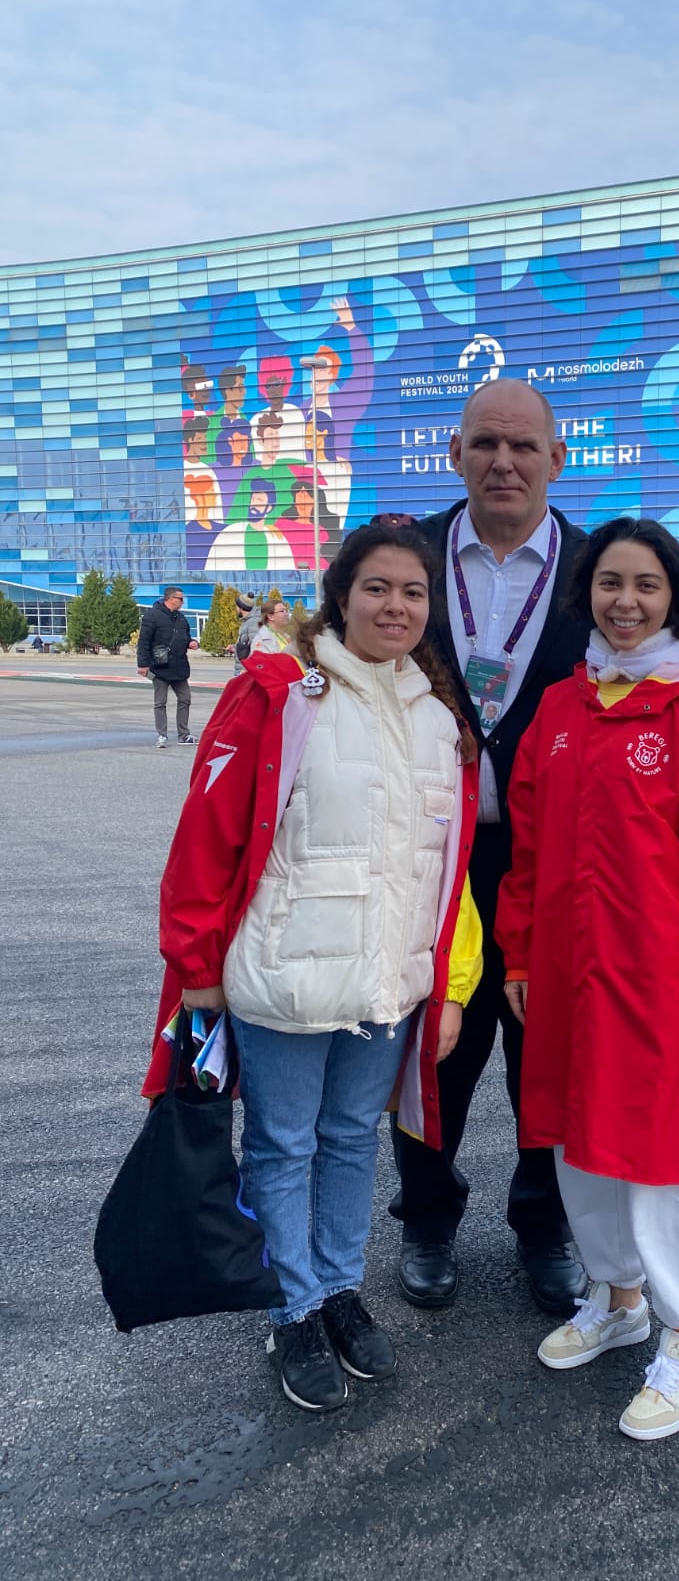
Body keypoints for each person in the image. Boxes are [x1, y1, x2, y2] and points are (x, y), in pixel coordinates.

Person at [144, 522, 484, 1413]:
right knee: (283, 1145)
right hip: (285, 976)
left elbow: (444, 873)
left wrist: (447, 983)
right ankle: (291, 1308)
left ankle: (338, 1288)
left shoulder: (438, 719)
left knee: (350, 1140)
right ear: (341, 596)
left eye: (413, 592)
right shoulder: (281, 693)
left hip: (385, 984)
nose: (396, 606)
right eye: (378, 588)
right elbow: (208, 835)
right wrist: (196, 967)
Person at [495, 518, 679, 1440]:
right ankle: (619, 1299)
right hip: (566, 971)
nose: (626, 601)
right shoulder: (560, 710)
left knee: (661, 1157)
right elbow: (527, 851)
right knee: (577, 1140)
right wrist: (519, 953)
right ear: (588, 594)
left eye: (647, 584)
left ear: (675, 597)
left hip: (657, 978)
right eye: (610, 582)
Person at [388, 378, 592, 1319]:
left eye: (523, 446)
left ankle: (544, 1222)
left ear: (557, 458)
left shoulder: (598, 570)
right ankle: (427, 1216)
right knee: (432, 1048)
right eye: (484, 444)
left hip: (555, 861)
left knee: (547, 1050)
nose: (503, 462)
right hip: (431, 857)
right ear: (456, 454)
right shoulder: (407, 560)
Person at [136, 587, 198, 748]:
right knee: (160, 702)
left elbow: (185, 637)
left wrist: (192, 642)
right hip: (159, 667)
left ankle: (183, 735)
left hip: (179, 666)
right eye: (180, 599)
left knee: (185, 699)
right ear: (170, 599)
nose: (183, 602)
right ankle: (162, 735)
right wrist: (142, 664)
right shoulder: (152, 616)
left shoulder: (181, 618)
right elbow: (143, 642)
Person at [233, 592, 260, 671]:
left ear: (241, 608)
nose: (235, 609)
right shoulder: (247, 621)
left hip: (245, 670)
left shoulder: (253, 622)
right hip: (242, 668)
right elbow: (247, 644)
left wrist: (246, 669)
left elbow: (256, 648)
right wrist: (235, 648)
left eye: (236, 606)